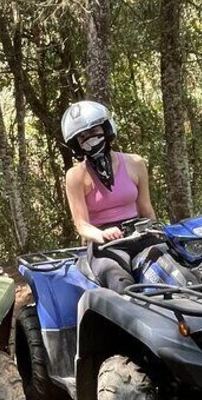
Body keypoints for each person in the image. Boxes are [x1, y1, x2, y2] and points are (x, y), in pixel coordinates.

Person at [62, 100, 158, 292]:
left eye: (93, 131)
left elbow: (146, 210)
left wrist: (155, 230)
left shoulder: (135, 163)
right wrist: (102, 234)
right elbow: (81, 225)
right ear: (77, 144)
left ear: (106, 129)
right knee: (121, 285)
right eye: (83, 136)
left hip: (138, 234)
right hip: (104, 245)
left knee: (171, 270)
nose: (90, 139)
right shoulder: (75, 176)